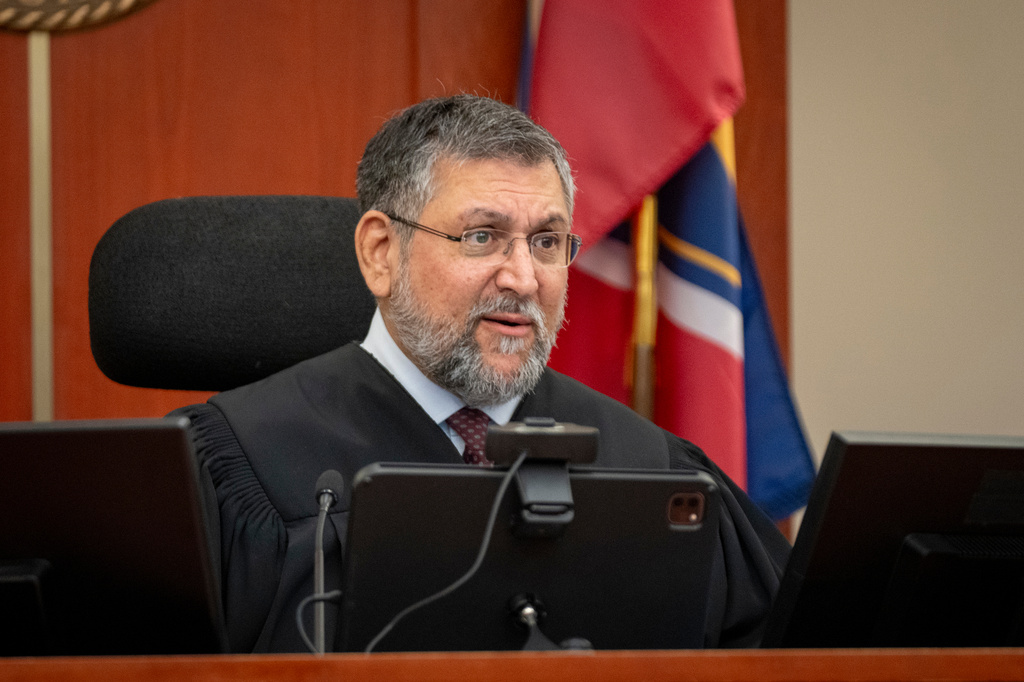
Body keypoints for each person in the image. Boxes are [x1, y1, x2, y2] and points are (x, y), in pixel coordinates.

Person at [173, 94, 790, 653]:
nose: (523, 278)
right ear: (381, 252)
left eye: (546, 242)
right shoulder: (238, 466)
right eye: (481, 237)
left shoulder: (652, 470)